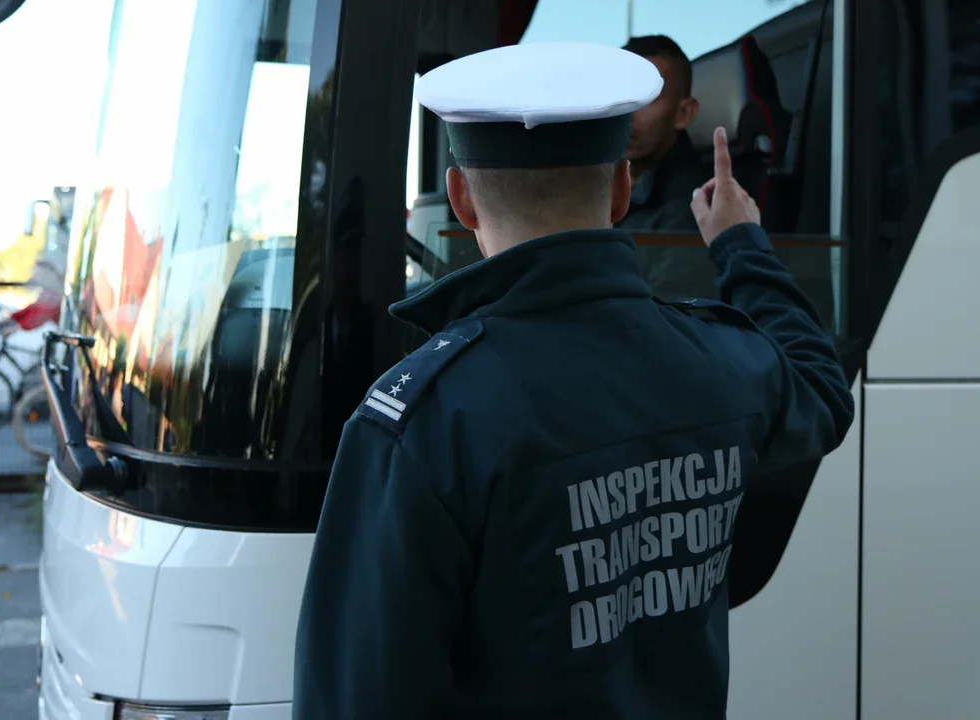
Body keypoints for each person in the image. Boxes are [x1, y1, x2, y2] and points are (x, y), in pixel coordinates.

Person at [292, 41, 854, 719]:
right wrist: (740, 244)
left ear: (461, 199)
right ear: (621, 190)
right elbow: (822, 389)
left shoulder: (426, 422)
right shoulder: (716, 359)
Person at [619, 34, 718, 301]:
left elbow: (666, 306)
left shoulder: (694, 206)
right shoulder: (598, 185)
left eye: (647, 97)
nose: (628, 113)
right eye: (620, 95)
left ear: (684, 113)